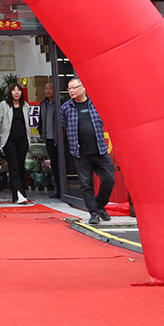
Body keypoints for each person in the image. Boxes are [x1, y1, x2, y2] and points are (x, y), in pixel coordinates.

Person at [59, 77, 115, 226]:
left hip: (100, 150)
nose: (71, 91)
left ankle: (99, 204)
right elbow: (65, 127)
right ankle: (94, 213)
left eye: (74, 87)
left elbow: (104, 120)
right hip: (81, 153)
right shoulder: (66, 108)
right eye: (69, 88)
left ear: (83, 88)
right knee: (86, 184)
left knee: (109, 179)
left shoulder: (95, 103)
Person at [0, 83, 30, 204]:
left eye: (19, 90)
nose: (16, 92)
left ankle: (17, 195)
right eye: (14, 90)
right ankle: (19, 194)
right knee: (13, 166)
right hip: (9, 140)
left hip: (23, 139)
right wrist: (3, 132)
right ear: (10, 92)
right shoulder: (4, 105)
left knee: (20, 167)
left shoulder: (25, 105)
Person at [37, 82, 61, 192]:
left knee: (61, 164)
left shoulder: (60, 102)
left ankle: (63, 189)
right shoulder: (43, 104)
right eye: (46, 89)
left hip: (59, 139)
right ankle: (58, 188)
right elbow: (41, 120)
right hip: (49, 139)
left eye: (50, 89)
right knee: (54, 164)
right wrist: (41, 131)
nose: (48, 91)